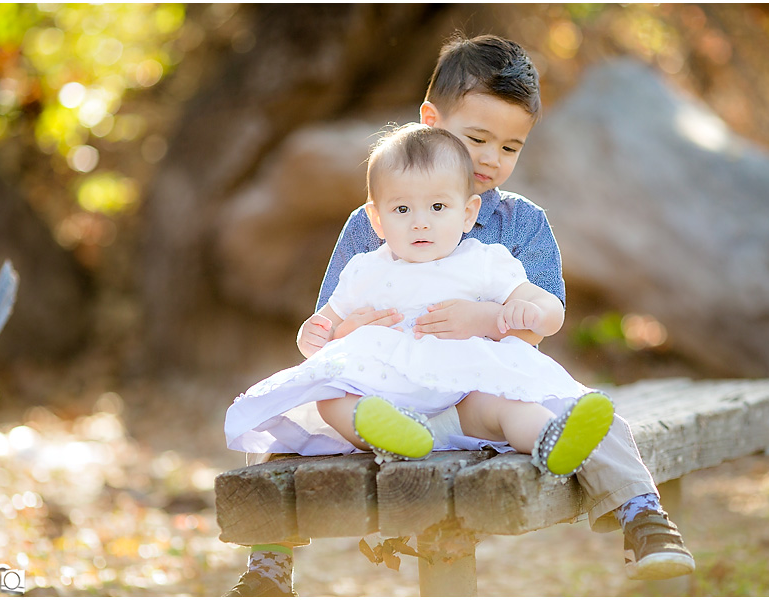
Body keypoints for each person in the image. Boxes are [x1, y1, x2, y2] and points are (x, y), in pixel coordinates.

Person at [226, 33, 694, 597]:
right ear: (431, 119)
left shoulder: (519, 225)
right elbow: (330, 328)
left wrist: (487, 318)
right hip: (389, 394)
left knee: (588, 411)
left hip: (481, 389)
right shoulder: (374, 217)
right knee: (296, 413)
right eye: (476, 138)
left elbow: (542, 322)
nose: (492, 159)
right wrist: (341, 332)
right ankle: (268, 569)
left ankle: (643, 518)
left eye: (511, 147)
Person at [226, 122, 615, 470]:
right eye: (401, 208)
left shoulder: (484, 261)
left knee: (508, 406)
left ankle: (551, 438)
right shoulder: (365, 269)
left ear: (467, 213)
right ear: (376, 219)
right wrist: (314, 334)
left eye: (438, 206)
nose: (420, 221)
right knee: (331, 397)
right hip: (383, 391)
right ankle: (390, 435)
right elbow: (321, 329)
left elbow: (548, 307)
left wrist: (531, 312)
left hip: (464, 393)